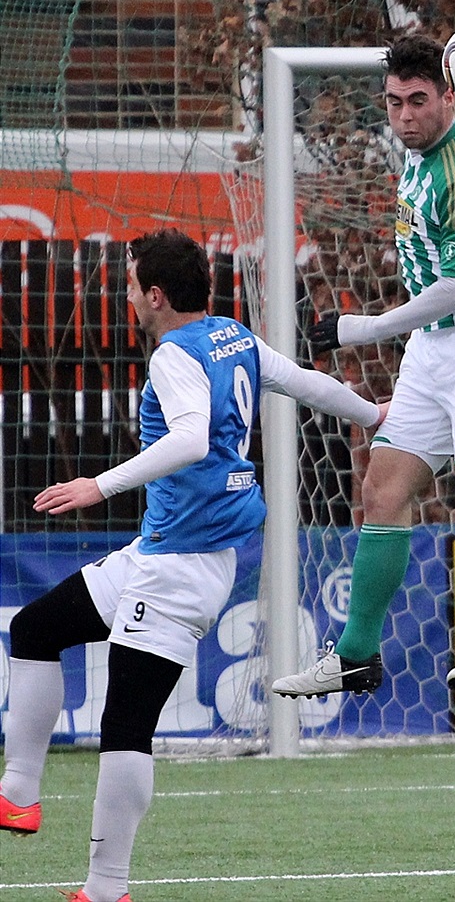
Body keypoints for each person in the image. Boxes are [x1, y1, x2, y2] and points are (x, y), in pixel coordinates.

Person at [0, 229, 388, 901]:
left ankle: (105, 887)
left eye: (128, 287)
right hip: (161, 553)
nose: (125, 298)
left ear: (154, 296)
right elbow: (302, 381)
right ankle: (18, 794)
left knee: (125, 725)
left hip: (179, 569)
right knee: (37, 628)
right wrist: (372, 412)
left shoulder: (174, 355)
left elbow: (187, 439)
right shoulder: (232, 336)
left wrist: (100, 485)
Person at [272, 34, 455, 704]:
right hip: (433, 350)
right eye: (393, 102)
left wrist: (359, 329)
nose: (404, 116)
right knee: (383, 492)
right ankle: (357, 656)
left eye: (418, 101)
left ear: (450, 95)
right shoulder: (419, 157)